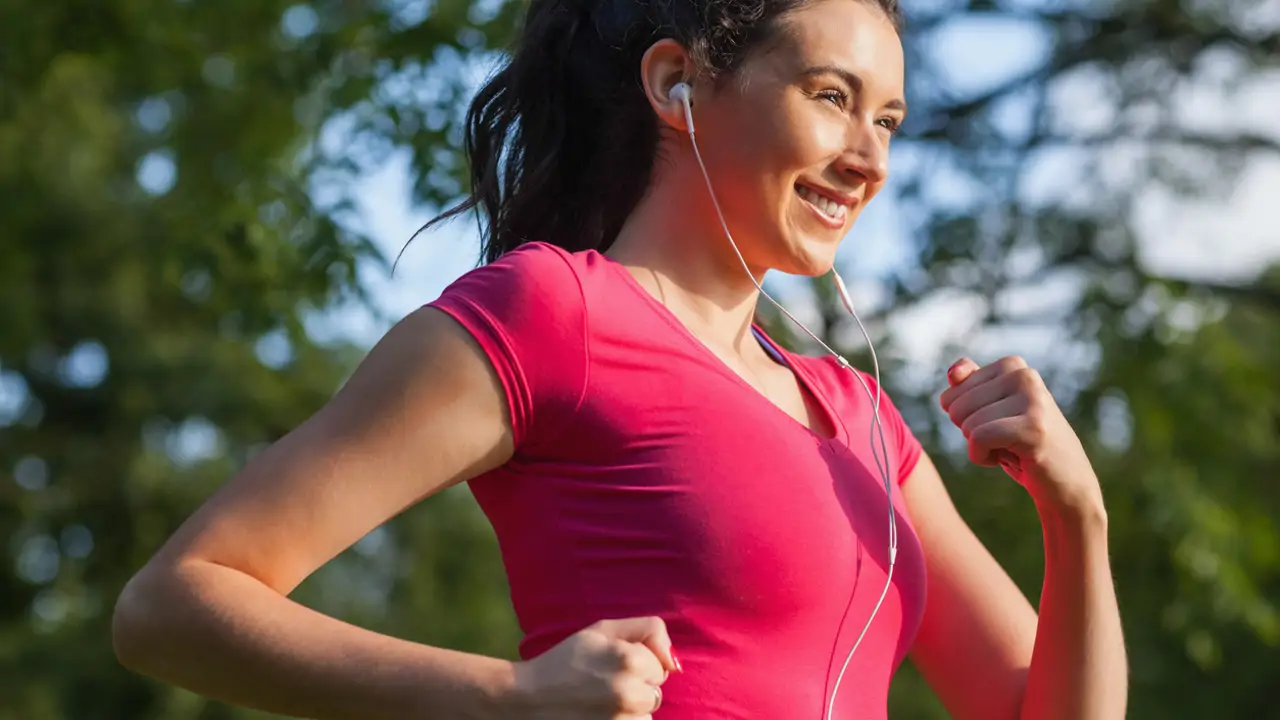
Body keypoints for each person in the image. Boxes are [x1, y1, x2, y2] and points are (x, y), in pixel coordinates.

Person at [111, 0, 1129, 716]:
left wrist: (1072, 513)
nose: (869, 159)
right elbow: (173, 604)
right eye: (830, 95)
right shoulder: (553, 313)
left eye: (889, 120)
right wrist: (504, 701)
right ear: (676, 83)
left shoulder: (858, 414)